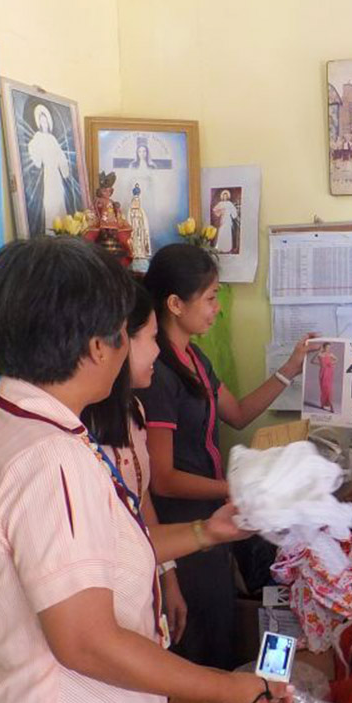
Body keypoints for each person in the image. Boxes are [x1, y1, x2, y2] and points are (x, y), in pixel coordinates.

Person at [0, 236, 291, 703]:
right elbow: (87, 641)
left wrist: (203, 532)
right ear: (96, 347)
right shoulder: (49, 461)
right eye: (126, 331)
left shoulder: (36, 426)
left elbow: (105, 552)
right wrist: (229, 689)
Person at [139, 243, 313, 672]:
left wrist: (291, 368)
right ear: (175, 304)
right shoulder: (156, 374)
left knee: (223, 637)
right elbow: (161, 478)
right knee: (198, 647)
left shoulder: (195, 358)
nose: (217, 308)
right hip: (183, 528)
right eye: (211, 297)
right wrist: (239, 488)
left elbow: (238, 414)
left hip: (216, 520)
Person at [80, 284, 187, 647]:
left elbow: (140, 501)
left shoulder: (134, 412)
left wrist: (168, 576)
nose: (159, 351)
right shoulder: (76, 434)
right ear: (115, 343)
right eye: (152, 338)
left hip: (147, 576)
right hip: (106, 605)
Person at [25, 104, 72, 233]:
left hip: (56, 174)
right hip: (48, 173)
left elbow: (60, 155)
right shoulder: (38, 137)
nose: (43, 123)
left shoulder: (52, 138)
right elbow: (33, 149)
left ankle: (62, 230)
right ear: (39, 122)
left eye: (45, 120)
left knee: (59, 199)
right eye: (41, 120)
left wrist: (64, 168)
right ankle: (51, 231)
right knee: (50, 201)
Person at [311, 341, 337, 413]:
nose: (328, 349)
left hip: (329, 372)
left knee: (328, 390)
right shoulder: (319, 354)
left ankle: (331, 406)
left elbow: (336, 360)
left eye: (329, 347)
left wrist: (331, 363)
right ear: (324, 347)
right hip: (322, 372)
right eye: (327, 347)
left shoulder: (330, 354)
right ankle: (322, 404)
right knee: (323, 390)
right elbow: (312, 361)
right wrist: (320, 364)